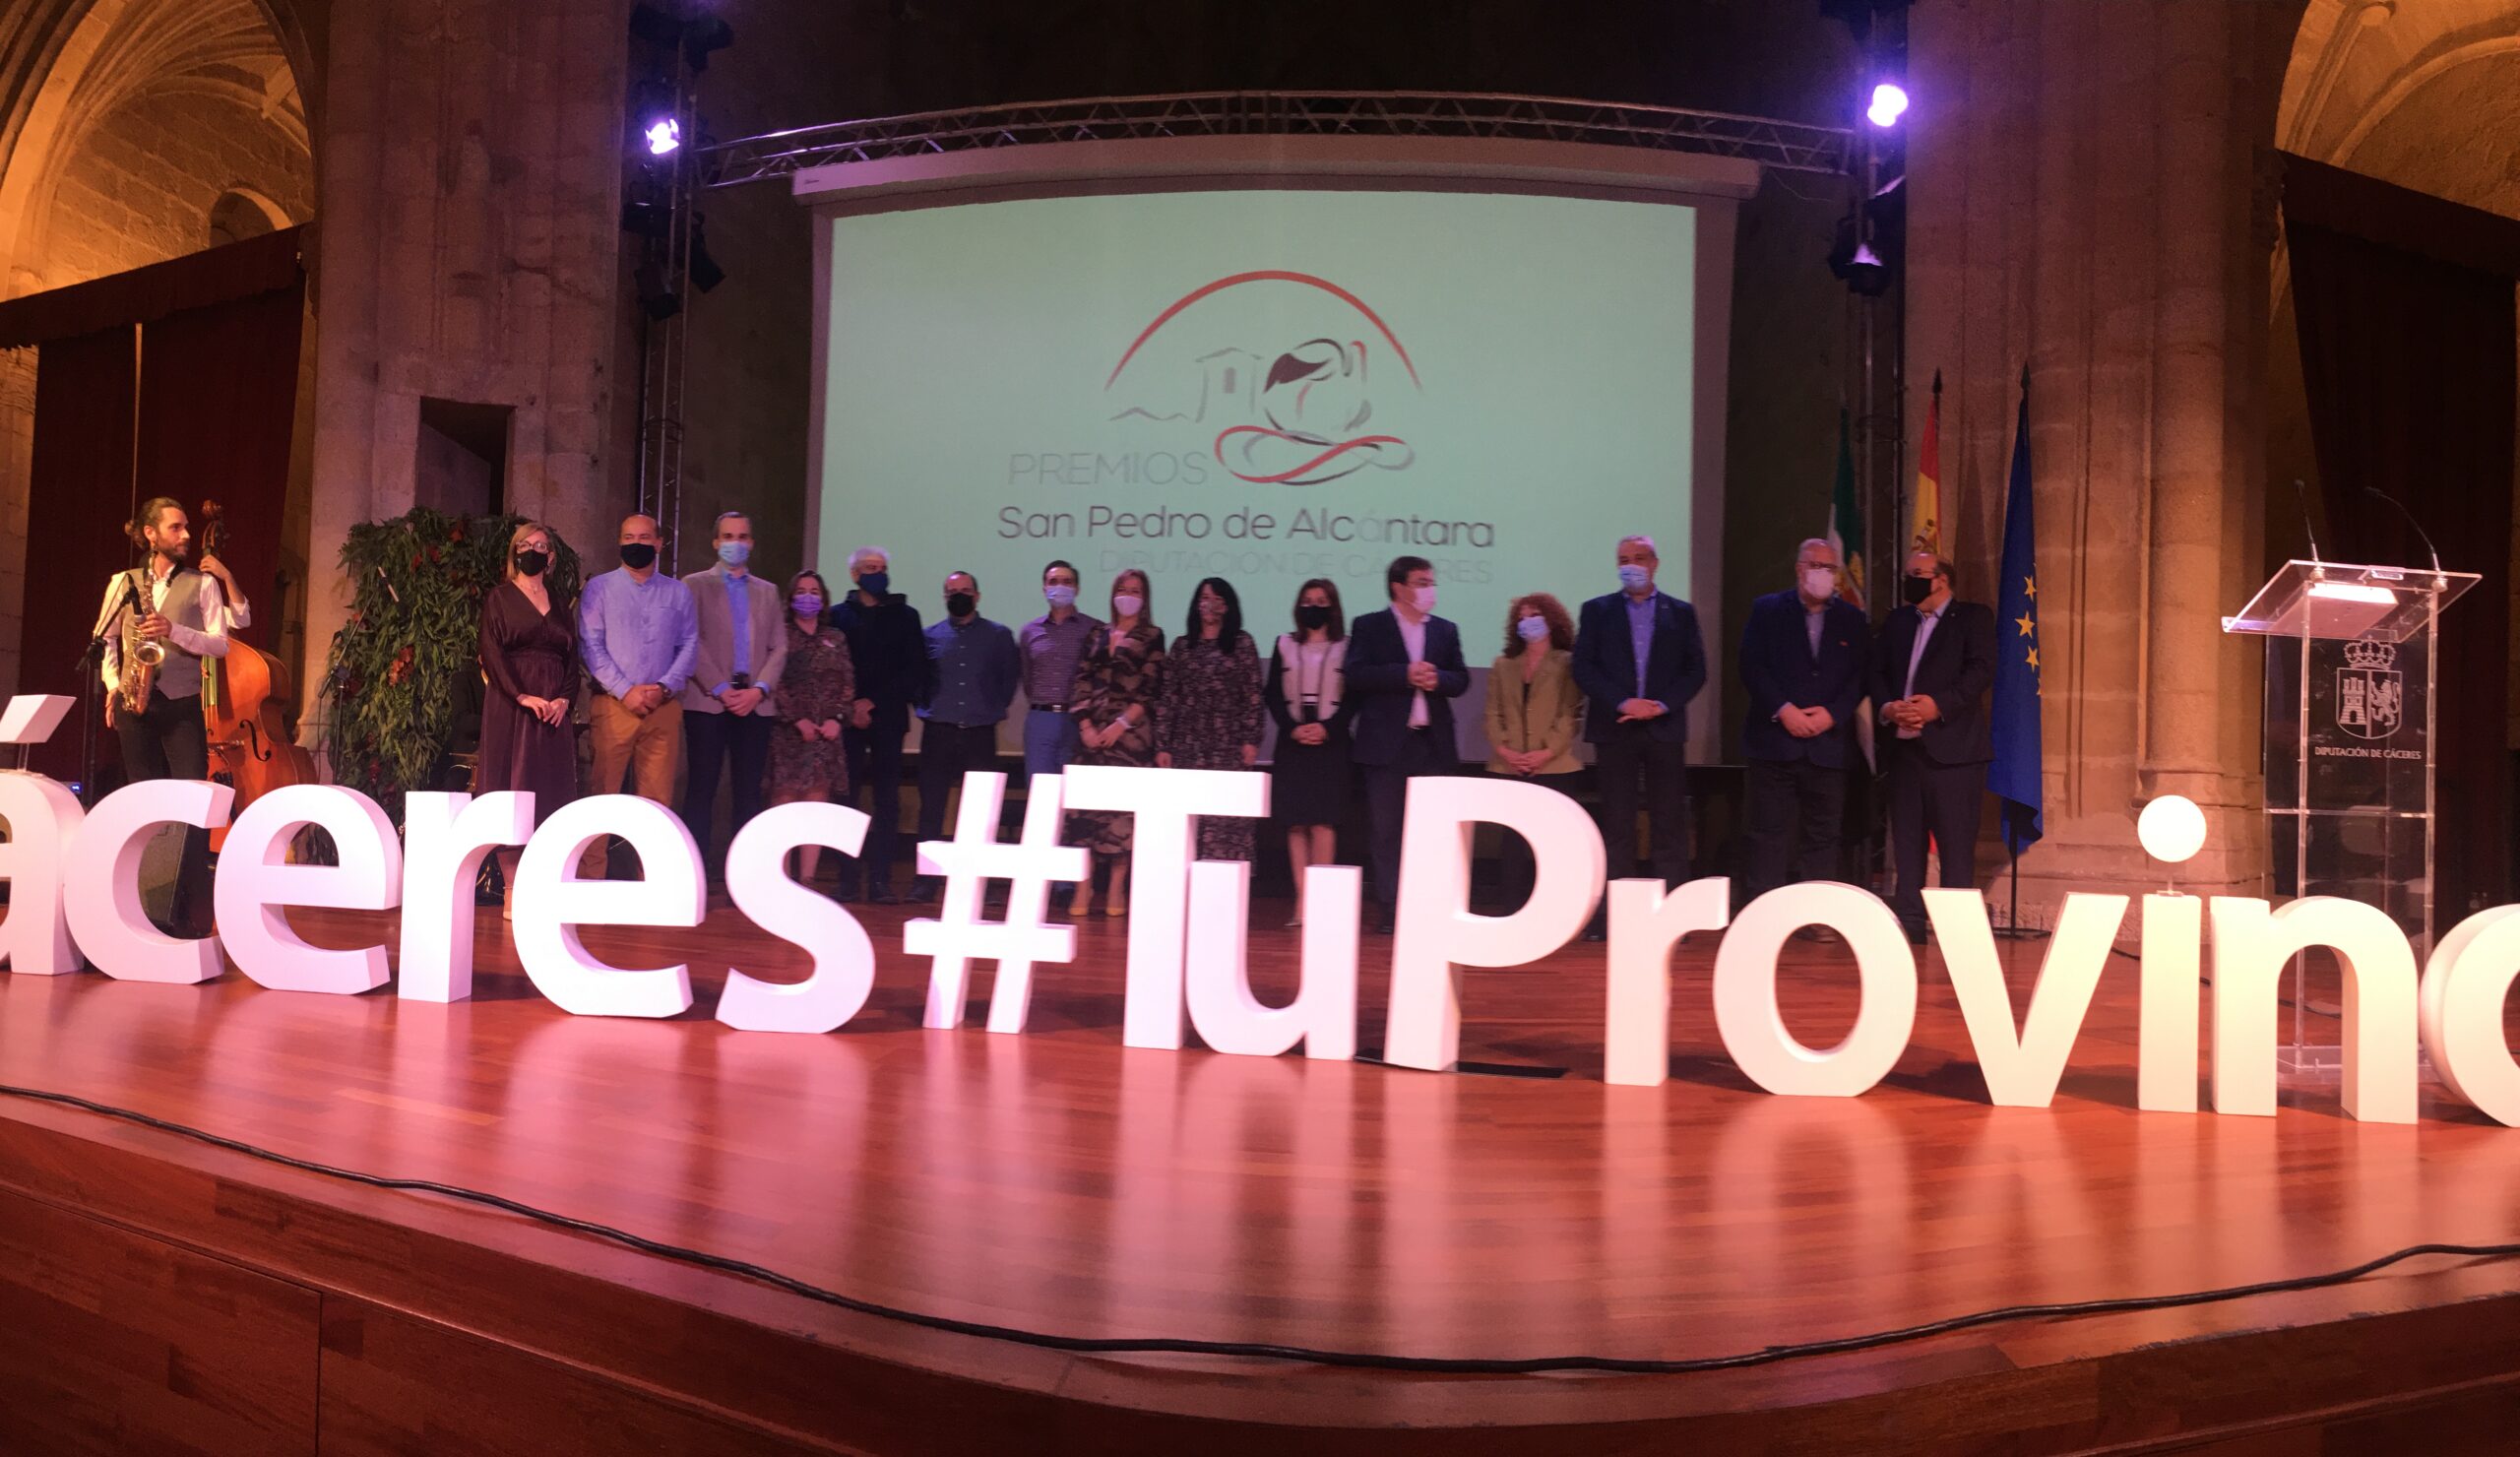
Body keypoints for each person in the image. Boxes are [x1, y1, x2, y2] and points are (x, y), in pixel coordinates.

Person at [95, 497, 230, 932]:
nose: (186, 535)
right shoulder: (123, 582)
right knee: (143, 801)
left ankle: (186, 906)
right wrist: (114, 685)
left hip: (181, 703)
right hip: (134, 702)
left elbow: (220, 644)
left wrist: (175, 631)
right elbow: (105, 640)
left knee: (191, 802)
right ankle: (144, 903)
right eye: (176, 527)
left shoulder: (202, 584)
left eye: (187, 527)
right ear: (150, 534)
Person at [1573, 533, 1707, 937]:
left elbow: (1695, 670)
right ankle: (1616, 917)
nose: (1630, 565)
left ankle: (1673, 918)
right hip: (1615, 729)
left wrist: (1660, 705)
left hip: (1664, 728)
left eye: (1638, 558)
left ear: (1655, 563)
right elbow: (1584, 668)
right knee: (1617, 825)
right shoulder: (1597, 610)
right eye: (1623, 559)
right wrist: (1623, 702)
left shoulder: (1680, 613)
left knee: (1669, 825)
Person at [1870, 550, 1996, 943]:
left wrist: (1936, 706)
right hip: (1904, 752)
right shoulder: (1898, 621)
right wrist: (1889, 707)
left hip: (1954, 755)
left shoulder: (1972, 618)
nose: (1910, 581)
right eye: (1908, 574)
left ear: (1941, 579)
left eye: (1918, 574)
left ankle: (1955, 933)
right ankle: (1908, 926)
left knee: (1956, 848)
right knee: (1907, 847)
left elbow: (1981, 670)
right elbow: (1876, 671)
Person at [1738, 538, 1872, 907]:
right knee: (1768, 834)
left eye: (1830, 568)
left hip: (1828, 747)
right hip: (1774, 742)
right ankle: (1764, 913)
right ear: (1800, 569)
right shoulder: (1767, 610)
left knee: (1823, 836)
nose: (1824, 574)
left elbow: (1862, 675)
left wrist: (1833, 714)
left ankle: (1815, 914)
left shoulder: (1852, 618)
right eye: (1817, 566)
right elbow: (1751, 666)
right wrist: (1784, 710)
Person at [1346, 555, 1469, 931]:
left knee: (1432, 832)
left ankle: (1429, 906)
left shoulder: (1445, 629)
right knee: (1386, 831)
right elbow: (1355, 675)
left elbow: (1461, 679)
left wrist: (1438, 680)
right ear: (1398, 587)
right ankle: (1391, 909)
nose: (1430, 589)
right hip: (1386, 747)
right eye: (1421, 582)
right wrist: (1404, 674)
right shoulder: (1369, 625)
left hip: (1431, 744)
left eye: (1431, 582)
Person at [576, 512, 698, 877]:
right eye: (628, 537)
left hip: (664, 708)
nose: (636, 544)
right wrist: (625, 690)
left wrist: (664, 687)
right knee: (603, 796)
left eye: (644, 538)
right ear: (619, 542)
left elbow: (690, 644)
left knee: (658, 803)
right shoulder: (599, 588)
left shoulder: (678, 592)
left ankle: (654, 879)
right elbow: (591, 645)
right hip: (613, 706)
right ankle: (592, 879)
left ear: (659, 543)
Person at [474, 521, 579, 918]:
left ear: (550, 557)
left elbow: (573, 659)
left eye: (541, 546)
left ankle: (544, 884)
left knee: (549, 790)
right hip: (512, 705)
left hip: (553, 712)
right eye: (526, 545)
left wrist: (564, 699)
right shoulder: (499, 598)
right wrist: (520, 695)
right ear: (515, 552)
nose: (533, 551)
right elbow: (491, 652)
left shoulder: (561, 603)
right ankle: (512, 888)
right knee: (511, 789)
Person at [681, 511, 787, 883]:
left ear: (751, 543)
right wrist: (722, 689)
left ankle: (746, 876)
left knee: (749, 792)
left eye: (742, 537)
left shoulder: (768, 591)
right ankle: (695, 873)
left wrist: (758, 690)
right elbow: (691, 642)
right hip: (708, 702)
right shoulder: (694, 585)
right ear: (715, 542)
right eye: (728, 537)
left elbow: (779, 647)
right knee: (701, 789)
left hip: (755, 705)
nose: (735, 543)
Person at [909, 570, 1020, 901]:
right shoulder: (929, 636)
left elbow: (1007, 681)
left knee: (981, 812)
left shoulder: (999, 636)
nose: (959, 595)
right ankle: (926, 881)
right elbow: (919, 680)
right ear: (945, 597)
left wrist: (990, 709)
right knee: (931, 808)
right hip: (939, 731)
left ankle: (977, 883)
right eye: (952, 591)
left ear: (977, 596)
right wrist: (927, 708)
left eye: (966, 590)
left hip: (979, 733)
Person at [1066, 570, 1165, 918]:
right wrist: (1085, 725)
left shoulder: (1152, 635)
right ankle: (1084, 885)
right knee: (1084, 813)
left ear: (1144, 597)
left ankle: (1116, 888)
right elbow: (1081, 678)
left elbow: (1151, 688)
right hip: (1090, 735)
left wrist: (1121, 724)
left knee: (1122, 813)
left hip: (1130, 736)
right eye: (1123, 589)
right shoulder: (1097, 633)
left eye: (1135, 590)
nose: (1128, 595)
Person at [829, 545, 923, 902]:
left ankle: (880, 879)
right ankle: (847, 879)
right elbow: (831, 670)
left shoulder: (906, 616)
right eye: (869, 568)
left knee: (887, 799)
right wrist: (851, 704)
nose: (877, 573)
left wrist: (873, 702)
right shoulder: (836, 616)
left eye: (882, 567)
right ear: (854, 574)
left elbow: (913, 669)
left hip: (889, 717)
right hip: (845, 719)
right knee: (846, 798)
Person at [1484, 592, 1583, 910]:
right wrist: (1505, 750)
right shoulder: (1503, 665)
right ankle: (1510, 905)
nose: (1528, 622)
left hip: (1555, 765)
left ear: (1551, 621)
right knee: (1512, 840)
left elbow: (1569, 715)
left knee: (1553, 840)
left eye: (1534, 616)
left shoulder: (1567, 663)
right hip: (1509, 764)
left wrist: (1545, 753)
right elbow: (1493, 713)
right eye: (1522, 618)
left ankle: (1554, 906)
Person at [1156, 576, 1263, 862]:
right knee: (1188, 819)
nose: (1210, 605)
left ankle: (1225, 881)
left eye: (1217, 599)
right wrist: (1163, 744)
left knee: (1227, 819)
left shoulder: (1242, 643)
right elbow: (1168, 697)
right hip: (1187, 746)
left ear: (1228, 607)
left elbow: (1253, 694)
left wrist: (1251, 740)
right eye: (1204, 598)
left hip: (1230, 747)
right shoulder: (1182, 646)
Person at [1264, 579, 1352, 928]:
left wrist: (1329, 728)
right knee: (1295, 821)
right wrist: (1291, 727)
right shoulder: (1284, 643)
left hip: (1332, 740)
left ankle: (1321, 899)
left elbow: (1354, 697)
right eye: (1308, 600)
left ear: (1333, 606)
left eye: (1321, 600)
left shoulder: (1347, 646)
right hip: (1293, 740)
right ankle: (1302, 900)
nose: (1314, 606)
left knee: (1323, 820)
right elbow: (1272, 694)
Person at [769, 570, 857, 884]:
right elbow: (773, 681)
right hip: (787, 734)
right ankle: (781, 878)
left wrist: (837, 719)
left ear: (824, 599)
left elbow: (847, 683)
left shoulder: (836, 637)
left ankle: (807, 879)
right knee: (784, 804)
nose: (808, 597)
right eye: (801, 591)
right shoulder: (780, 634)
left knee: (816, 807)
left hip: (825, 736)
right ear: (791, 598)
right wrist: (795, 719)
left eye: (814, 592)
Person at [1019, 559, 1101, 779]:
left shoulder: (1095, 628)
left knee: (1074, 789)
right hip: (1040, 719)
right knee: (1040, 788)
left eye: (1067, 581)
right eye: (1053, 581)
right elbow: (1028, 677)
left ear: (1077, 589)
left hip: (1079, 721)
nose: (1060, 586)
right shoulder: (1029, 631)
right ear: (1044, 588)